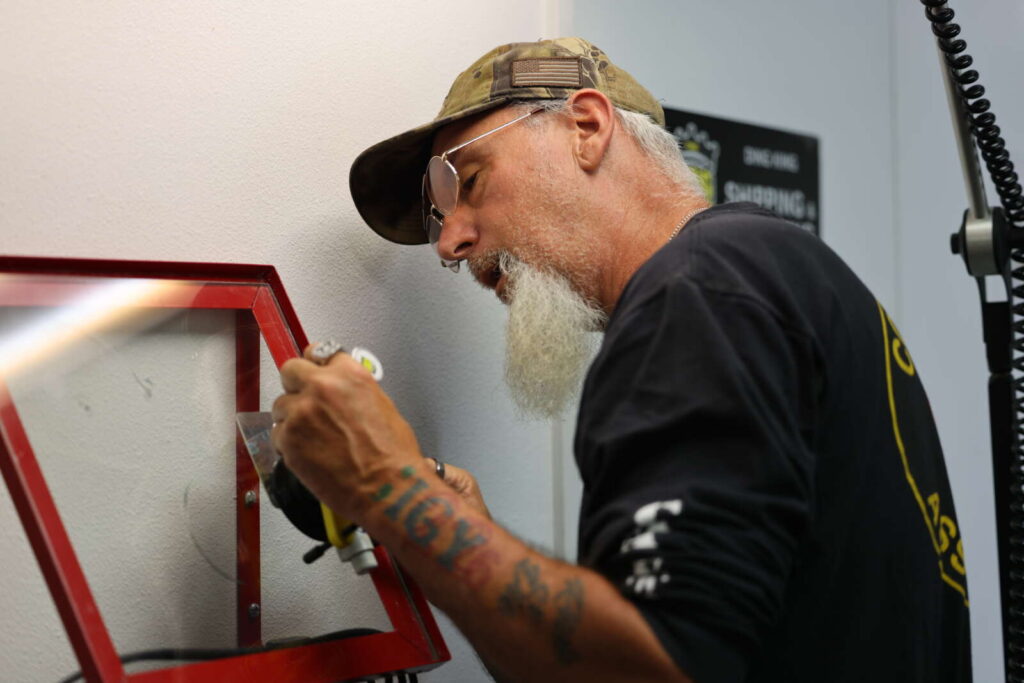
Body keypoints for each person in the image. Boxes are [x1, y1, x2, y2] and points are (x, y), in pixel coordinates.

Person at [271, 38, 972, 682]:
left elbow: (656, 665)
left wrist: (391, 489)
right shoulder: (773, 273)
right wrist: (463, 534)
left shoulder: (699, 292)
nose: (449, 244)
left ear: (587, 128)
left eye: (467, 181)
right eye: (435, 219)